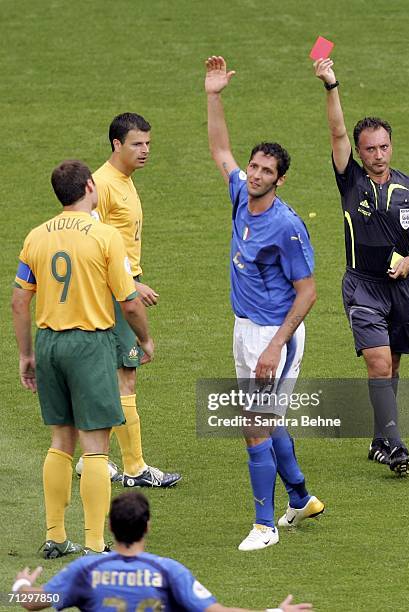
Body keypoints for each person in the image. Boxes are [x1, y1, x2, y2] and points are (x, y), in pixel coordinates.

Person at [205, 56, 324, 552]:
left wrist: (276, 347)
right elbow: (220, 150)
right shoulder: (240, 192)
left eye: (266, 171)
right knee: (265, 419)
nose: (254, 174)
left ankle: (264, 526)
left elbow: (308, 292)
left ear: (281, 179)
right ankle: (300, 497)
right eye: (254, 166)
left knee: (253, 425)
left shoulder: (287, 225)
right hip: (245, 327)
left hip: (275, 334)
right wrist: (214, 95)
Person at [12, 160, 155, 556]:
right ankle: (94, 543)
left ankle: (55, 536)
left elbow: (20, 300)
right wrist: (145, 339)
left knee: (60, 440)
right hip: (89, 344)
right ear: (90, 186)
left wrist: (27, 354)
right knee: (96, 447)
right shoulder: (106, 236)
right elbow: (129, 302)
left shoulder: (36, 237)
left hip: (48, 343)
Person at [313, 58, 409, 474]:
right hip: (363, 287)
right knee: (379, 363)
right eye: (369, 148)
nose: (378, 154)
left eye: (384, 146)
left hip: (402, 287)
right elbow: (336, 131)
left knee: (394, 365)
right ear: (358, 150)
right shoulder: (350, 180)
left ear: (391, 146)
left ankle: (379, 437)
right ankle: (396, 446)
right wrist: (331, 84)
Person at [75, 112, 181, 488]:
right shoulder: (103, 185)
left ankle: (91, 459)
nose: (145, 150)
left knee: (104, 376)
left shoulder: (122, 180)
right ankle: (135, 468)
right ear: (116, 145)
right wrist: (130, 284)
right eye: (137, 144)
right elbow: (93, 237)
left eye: (148, 143)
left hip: (116, 284)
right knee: (125, 377)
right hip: (114, 290)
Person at [12, 492, 313, 611]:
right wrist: (275, 611)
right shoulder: (168, 571)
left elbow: (32, 601)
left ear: (111, 528)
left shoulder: (85, 571)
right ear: (148, 526)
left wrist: (21, 584)